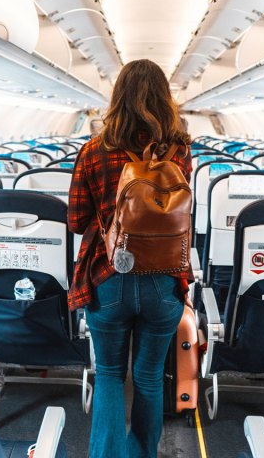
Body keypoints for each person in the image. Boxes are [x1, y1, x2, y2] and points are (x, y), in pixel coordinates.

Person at [67, 59, 192, 458]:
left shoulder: (93, 150)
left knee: (107, 376)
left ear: (116, 97)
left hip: (109, 277)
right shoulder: (179, 151)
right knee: (150, 378)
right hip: (164, 278)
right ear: (164, 99)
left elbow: (76, 221)